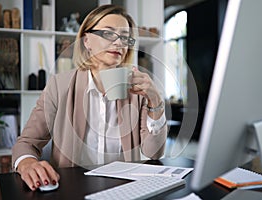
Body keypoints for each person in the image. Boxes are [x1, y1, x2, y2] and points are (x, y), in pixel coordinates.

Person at [12, 4, 167, 191]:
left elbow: (154, 153)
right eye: (109, 34)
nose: (119, 43)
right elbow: (27, 143)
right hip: (72, 189)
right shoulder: (59, 86)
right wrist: (27, 163)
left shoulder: (137, 92)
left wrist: (155, 101)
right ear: (87, 41)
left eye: (125, 38)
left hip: (124, 190)